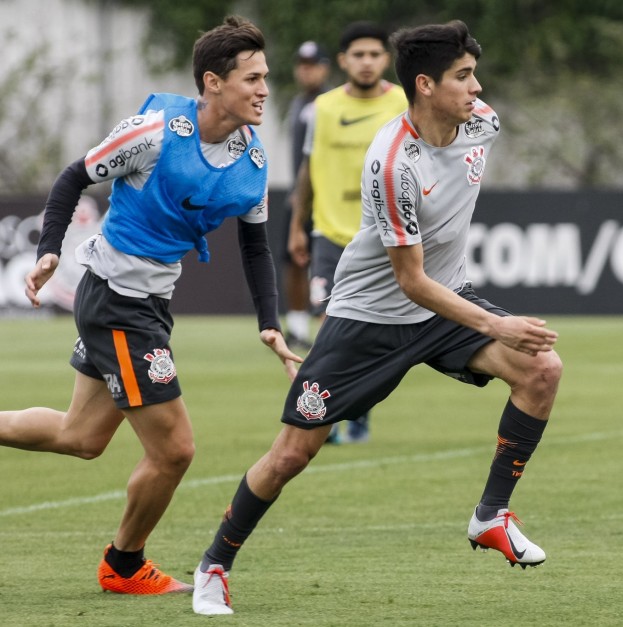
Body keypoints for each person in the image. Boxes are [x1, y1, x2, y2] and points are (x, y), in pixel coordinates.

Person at [192, 20, 562, 615]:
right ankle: (215, 564)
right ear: (424, 85)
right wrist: (497, 325)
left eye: (474, 74)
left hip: (443, 304)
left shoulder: (481, 122)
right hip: (369, 316)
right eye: (463, 76)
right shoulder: (392, 163)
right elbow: (408, 280)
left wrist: (496, 328)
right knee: (292, 454)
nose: (477, 88)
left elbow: (432, 283)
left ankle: (491, 516)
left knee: (542, 368)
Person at [0, 15, 301, 595]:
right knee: (175, 451)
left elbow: (255, 245)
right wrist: (47, 252)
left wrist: (270, 323)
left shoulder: (253, 160)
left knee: (80, 437)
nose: (265, 89)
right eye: (253, 78)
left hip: (146, 303)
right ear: (213, 82)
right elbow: (72, 179)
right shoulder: (155, 131)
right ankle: (125, 564)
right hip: (117, 302)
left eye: (267, 77)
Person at [289, 21, 408, 443]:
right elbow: (307, 168)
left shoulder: (403, 103)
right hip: (330, 234)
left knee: (375, 329)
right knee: (329, 324)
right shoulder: (320, 108)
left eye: (375, 54)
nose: (366, 62)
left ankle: (359, 407)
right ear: (343, 61)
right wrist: (297, 226)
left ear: (386, 60)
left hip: (384, 237)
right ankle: (328, 413)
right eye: (358, 55)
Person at [282, 40, 331, 351]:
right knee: (294, 261)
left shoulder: (331, 103)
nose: (306, 71)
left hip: (327, 197)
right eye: (302, 65)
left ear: (325, 68)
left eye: (312, 65)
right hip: (298, 196)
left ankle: (330, 326)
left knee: (329, 263)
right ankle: (298, 326)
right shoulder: (298, 103)